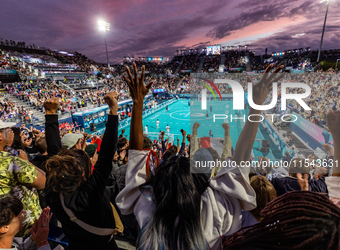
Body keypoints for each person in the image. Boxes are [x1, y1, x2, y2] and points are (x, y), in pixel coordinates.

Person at [116, 63, 282, 249]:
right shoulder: (214, 209)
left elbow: (136, 158)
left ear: (157, 186)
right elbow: (240, 160)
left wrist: (137, 102)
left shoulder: (148, 207)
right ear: (198, 183)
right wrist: (257, 104)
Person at [44, 93, 120, 250]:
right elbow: (106, 156)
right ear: (84, 174)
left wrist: (51, 114)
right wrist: (50, 114)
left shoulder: (54, 193)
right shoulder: (88, 195)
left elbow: (54, 154)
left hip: (76, 245)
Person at [0, 121, 46, 237]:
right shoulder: (13, 162)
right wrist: (26, 162)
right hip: (25, 229)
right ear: (0, 136)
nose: (9, 133)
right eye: (6, 130)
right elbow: (43, 182)